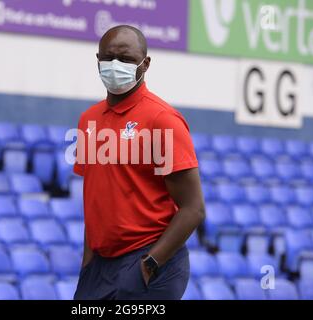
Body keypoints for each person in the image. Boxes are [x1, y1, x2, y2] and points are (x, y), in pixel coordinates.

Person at [73, 25, 205, 300]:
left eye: (126, 59)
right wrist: (87, 264)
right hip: (99, 266)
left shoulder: (162, 120)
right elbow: (95, 201)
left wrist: (150, 264)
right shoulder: (88, 120)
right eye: (107, 58)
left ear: (145, 64)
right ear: (97, 61)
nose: (114, 66)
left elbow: (193, 209)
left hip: (148, 261)